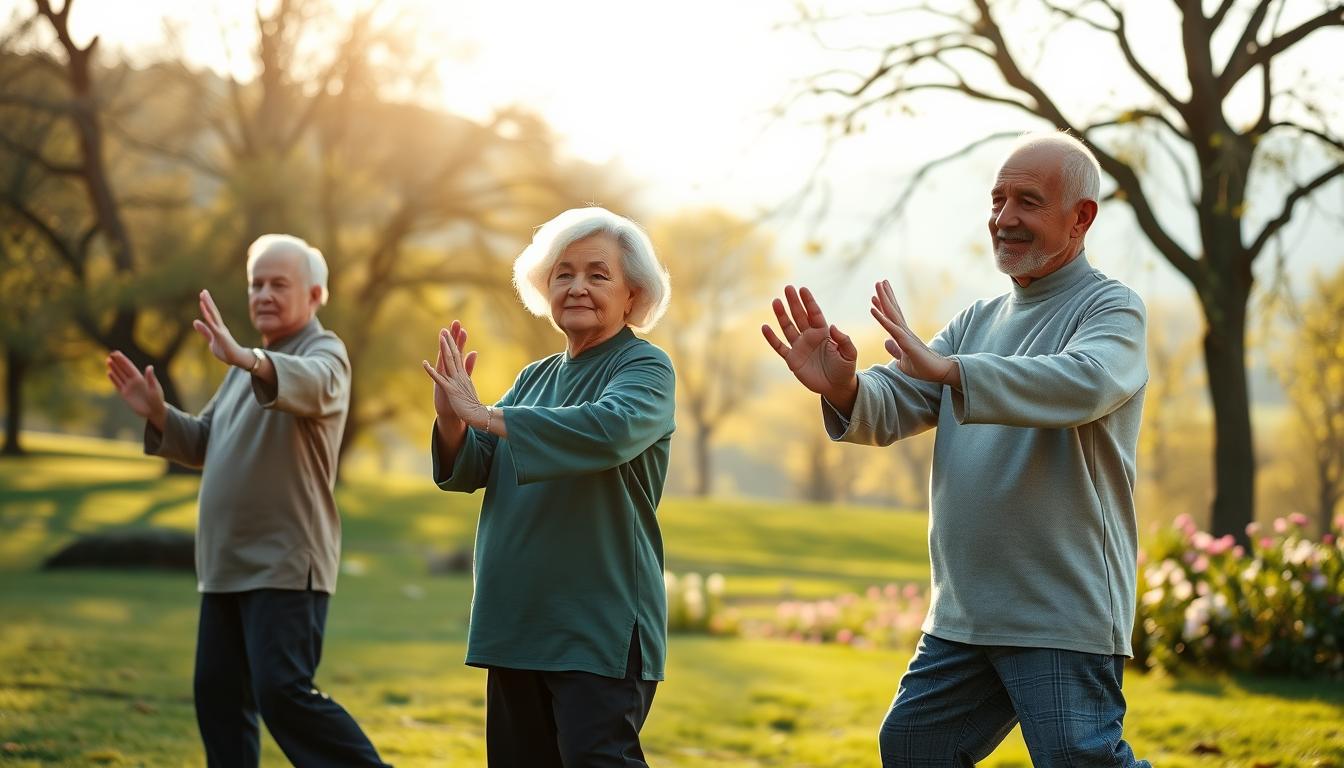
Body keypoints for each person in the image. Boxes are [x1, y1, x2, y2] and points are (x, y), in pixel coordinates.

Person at [762, 131, 1151, 767]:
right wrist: (844, 386)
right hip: (965, 613)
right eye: (998, 200)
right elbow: (899, 399)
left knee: (1078, 761)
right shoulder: (978, 319)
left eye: (1028, 201)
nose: (1004, 219)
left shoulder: (1112, 309)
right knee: (915, 748)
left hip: (1058, 608)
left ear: (1082, 218)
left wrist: (952, 372)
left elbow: (1086, 382)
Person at [106, 234, 388, 767]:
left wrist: (248, 357)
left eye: (279, 284)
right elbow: (204, 442)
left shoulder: (324, 353)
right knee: (218, 699)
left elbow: (313, 382)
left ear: (315, 294)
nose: (263, 294)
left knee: (282, 694)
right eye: (256, 283)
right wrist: (158, 413)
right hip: (225, 566)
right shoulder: (243, 368)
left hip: (284, 563)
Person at [422, 206, 675, 767]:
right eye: (563, 273)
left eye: (597, 274)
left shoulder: (645, 370)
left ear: (633, 294)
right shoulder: (534, 378)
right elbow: (471, 467)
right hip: (515, 624)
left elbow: (607, 430)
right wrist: (453, 419)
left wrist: (484, 415)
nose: (577, 286)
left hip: (596, 628)